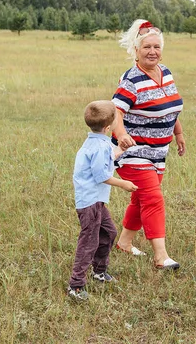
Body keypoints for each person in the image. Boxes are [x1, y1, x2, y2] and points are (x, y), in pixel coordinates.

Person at [111, 19, 185, 270]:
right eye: (147, 48)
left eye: (156, 47)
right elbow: (115, 112)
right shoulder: (132, 79)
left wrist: (179, 134)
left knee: (141, 200)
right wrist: (121, 134)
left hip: (158, 152)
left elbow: (171, 108)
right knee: (153, 199)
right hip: (132, 152)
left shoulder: (165, 72)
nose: (152, 51)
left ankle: (123, 242)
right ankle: (161, 257)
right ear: (136, 50)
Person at [68, 100, 137, 301]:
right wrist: (123, 183)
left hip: (96, 200)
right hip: (89, 202)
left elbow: (107, 158)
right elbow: (101, 175)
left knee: (108, 232)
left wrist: (122, 150)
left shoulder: (99, 141)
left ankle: (99, 271)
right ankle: (76, 285)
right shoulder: (97, 146)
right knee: (89, 241)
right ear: (108, 127)